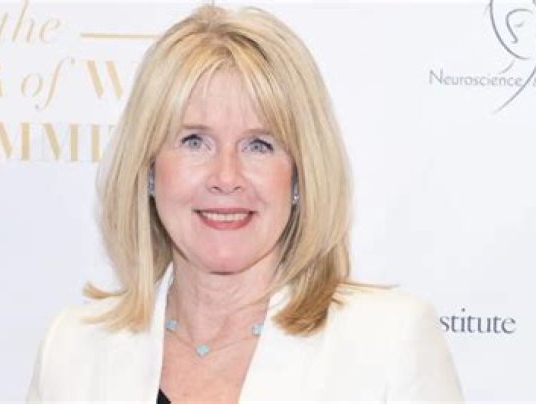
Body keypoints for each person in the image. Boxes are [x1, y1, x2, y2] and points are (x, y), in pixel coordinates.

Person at [27, 4, 463, 403]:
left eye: (259, 145)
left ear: (300, 175)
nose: (226, 177)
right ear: (149, 168)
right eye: (194, 141)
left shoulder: (389, 344)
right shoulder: (72, 349)